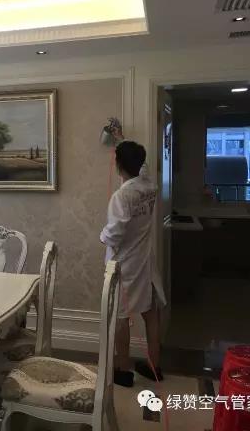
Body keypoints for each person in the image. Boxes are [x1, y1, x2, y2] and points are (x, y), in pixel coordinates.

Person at [100, 141, 166, 387]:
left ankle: (123, 369)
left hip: (125, 264)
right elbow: (141, 166)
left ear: (119, 165)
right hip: (144, 260)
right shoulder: (150, 186)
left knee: (121, 316)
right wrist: (121, 140)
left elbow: (115, 234)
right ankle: (154, 365)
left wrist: (102, 236)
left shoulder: (122, 196)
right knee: (150, 312)